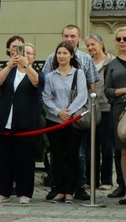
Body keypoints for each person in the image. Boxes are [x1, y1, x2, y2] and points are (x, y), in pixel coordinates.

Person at [42, 24, 99, 201]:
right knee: (57, 156)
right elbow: (45, 96)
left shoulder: (79, 73)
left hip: (73, 121)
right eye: (59, 53)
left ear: (71, 55)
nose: (61, 56)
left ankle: (71, 189)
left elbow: (83, 95)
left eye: (65, 53)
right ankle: (58, 188)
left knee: (73, 155)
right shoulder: (51, 75)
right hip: (55, 119)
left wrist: (70, 112)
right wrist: (58, 112)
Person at [0, 43, 44, 203]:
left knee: (25, 160)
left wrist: (26, 66)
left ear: (34, 57)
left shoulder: (37, 73)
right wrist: (8, 66)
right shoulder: (9, 71)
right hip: (6, 120)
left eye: (29, 53)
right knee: (4, 159)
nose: (25, 54)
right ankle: (3, 192)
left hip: (26, 123)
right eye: (23, 52)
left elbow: (37, 83)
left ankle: (25, 193)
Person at [85, 34, 115, 190]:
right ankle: (92, 180)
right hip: (90, 109)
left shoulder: (112, 61)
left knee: (106, 145)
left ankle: (107, 180)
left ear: (101, 44)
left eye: (93, 44)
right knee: (91, 146)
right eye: (88, 45)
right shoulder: (87, 62)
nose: (90, 48)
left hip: (106, 107)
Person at [104, 28, 126, 205]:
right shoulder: (112, 65)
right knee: (122, 150)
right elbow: (108, 90)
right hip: (119, 109)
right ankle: (123, 186)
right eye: (119, 38)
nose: (122, 41)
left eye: (125, 38)